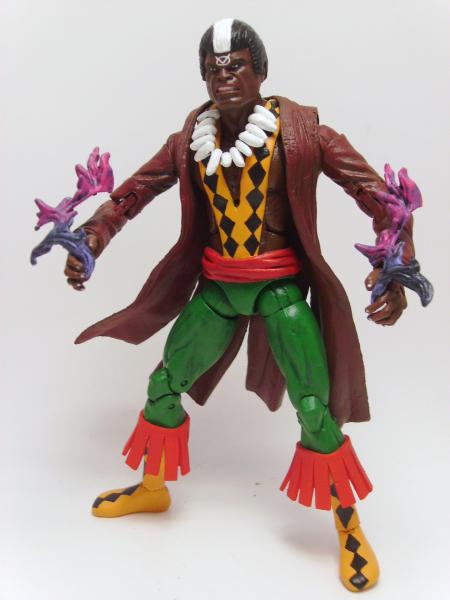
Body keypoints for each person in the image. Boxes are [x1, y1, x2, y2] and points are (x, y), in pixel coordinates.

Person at [65, 19, 411, 592]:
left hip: (280, 292)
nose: (224, 76)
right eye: (213, 68)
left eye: (236, 65)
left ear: (261, 71)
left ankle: (348, 526)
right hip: (218, 290)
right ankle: (153, 488)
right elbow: (131, 194)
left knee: (315, 408)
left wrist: (395, 264)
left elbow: (385, 200)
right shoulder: (190, 140)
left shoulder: (304, 134)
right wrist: (92, 237)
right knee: (164, 383)